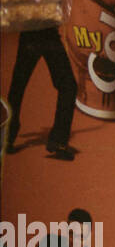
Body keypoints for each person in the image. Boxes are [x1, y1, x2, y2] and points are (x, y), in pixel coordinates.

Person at [4, 25, 77, 160]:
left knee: (18, 86)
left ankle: (7, 137)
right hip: (47, 35)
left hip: (30, 33)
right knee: (68, 86)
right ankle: (59, 141)